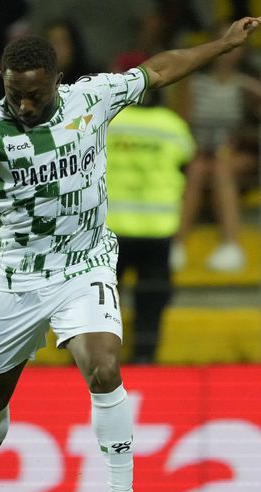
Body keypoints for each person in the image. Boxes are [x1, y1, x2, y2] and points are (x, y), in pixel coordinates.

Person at [0, 16, 261, 492]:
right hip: (19, 278)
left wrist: (223, 44)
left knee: (104, 369)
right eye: (15, 94)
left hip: (85, 264)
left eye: (36, 96)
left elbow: (160, 70)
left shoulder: (91, 99)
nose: (25, 106)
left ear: (57, 81)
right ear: (3, 81)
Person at [173, 25, 261, 272]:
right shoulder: (193, 83)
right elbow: (178, 123)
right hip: (197, 153)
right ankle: (176, 244)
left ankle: (232, 244)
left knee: (221, 165)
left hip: (234, 155)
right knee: (198, 169)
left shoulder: (248, 86)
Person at [105, 81, 195, 365]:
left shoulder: (109, 121)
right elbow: (187, 161)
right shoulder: (172, 126)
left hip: (110, 229)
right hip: (157, 229)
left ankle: (94, 361)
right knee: (151, 302)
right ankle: (145, 358)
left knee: (100, 303)